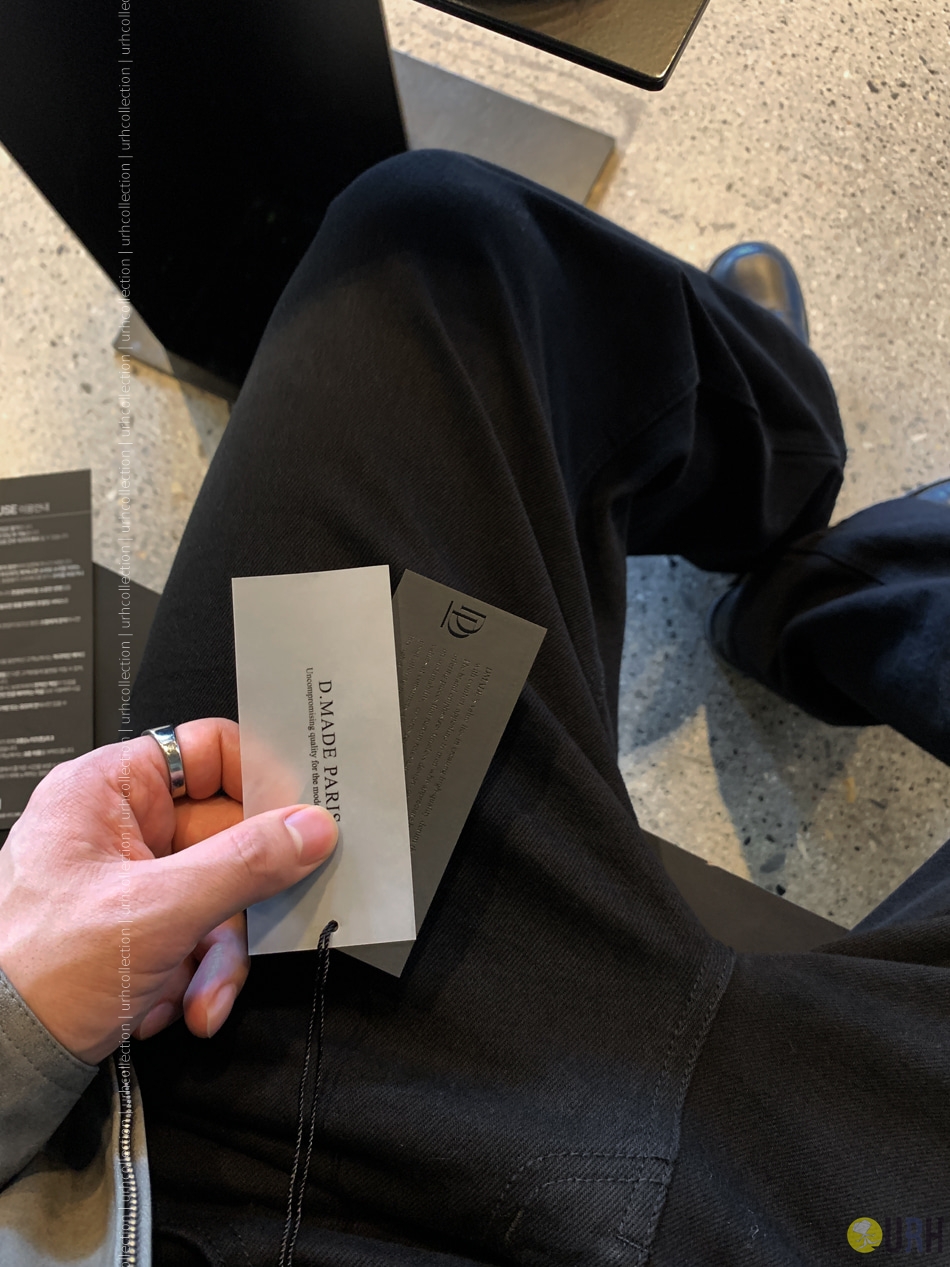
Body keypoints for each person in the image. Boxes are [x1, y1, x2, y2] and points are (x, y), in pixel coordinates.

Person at [1, 150, 949, 1267]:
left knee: (431, 256)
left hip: (166, 1150)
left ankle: (780, 504)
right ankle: (829, 603)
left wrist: (17, 1026)